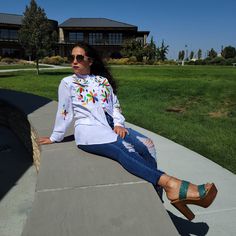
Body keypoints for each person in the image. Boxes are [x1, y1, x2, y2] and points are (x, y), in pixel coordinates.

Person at [39, 42, 217, 221]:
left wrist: (118, 123)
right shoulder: (68, 82)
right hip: (89, 129)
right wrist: (55, 137)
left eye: (79, 57)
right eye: (71, 57)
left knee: (148, 145)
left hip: (110, 125)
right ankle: (172, 184)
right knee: (124, 148)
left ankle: (156, 197)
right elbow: (64, 111)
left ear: (90, 60)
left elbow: (114, 104)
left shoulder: (102, 81)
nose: (74, 61)